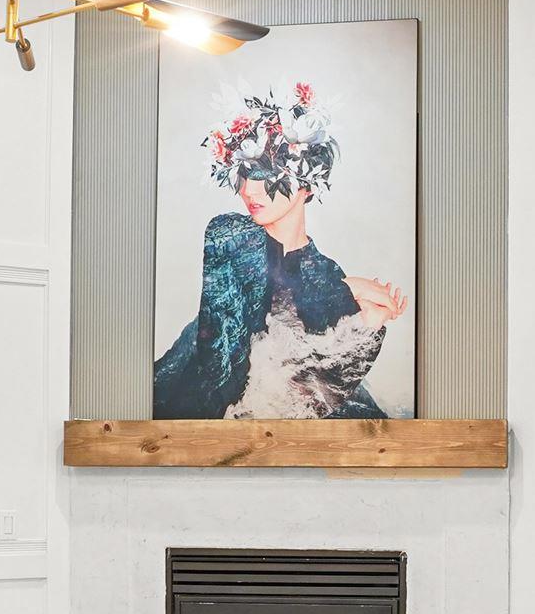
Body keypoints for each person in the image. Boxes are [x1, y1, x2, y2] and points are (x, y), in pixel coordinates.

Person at [153, 83, 408, 418]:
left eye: (265, 175)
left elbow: (306, 397)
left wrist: (366, 325)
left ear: (305, 183)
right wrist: (349, 290)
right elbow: (223, 364)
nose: (248, 190)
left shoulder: (326, 274)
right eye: (242, 175)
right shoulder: (230, 237)